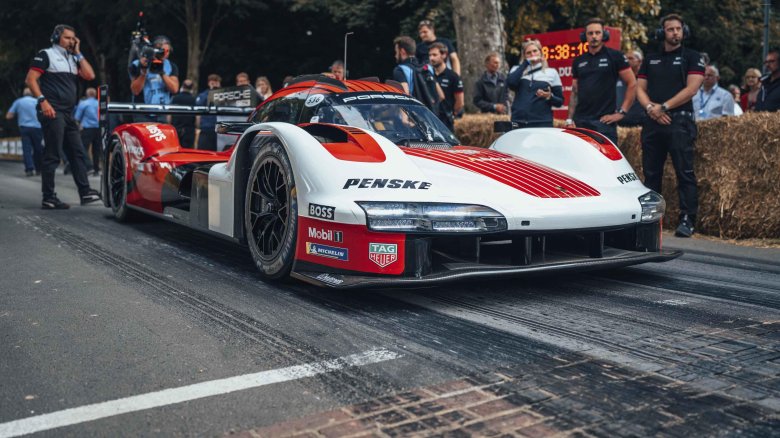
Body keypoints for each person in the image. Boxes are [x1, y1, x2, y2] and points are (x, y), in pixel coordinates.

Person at [636, 14, 705, 237]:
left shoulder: (693, 57)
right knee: (651, 173)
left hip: (679, 121)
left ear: (684, 31)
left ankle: (687, 219)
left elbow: (692, 89)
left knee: (684, 172)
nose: (675, 32)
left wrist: (663, 107)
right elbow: (639, 88)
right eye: (670, 29)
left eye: (678, 29)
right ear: (662, 33)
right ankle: (651, 219)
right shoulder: (651, 58)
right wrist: (651, 110)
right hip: (653, 121)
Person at [25, 24, 100, 209]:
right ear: (56, 37)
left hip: (68, 113)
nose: (71, 41)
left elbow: (90, 75)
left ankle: (85, 192)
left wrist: (79, 52)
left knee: (78, 152)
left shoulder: (73, 58)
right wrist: (43, 101)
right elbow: (30, 79)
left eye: (74, 38)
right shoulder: (46, 54)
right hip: (51, 110)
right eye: (67, 37)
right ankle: (48, 197)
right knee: (53, 154)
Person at [566, 18, 636, 145]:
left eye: (597, 33)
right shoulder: (578, 61)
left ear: (604, 34)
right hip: (580, 121)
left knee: (605, 163)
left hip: (604, 123)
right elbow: (575, 92)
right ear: (584, 36)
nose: (594, 36)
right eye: (590, 33)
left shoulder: (615, 56)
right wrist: (569, 119)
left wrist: (622, 112)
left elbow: (632, 83)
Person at [506, 39, 563, 128]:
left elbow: (560, 102)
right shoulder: (517, 69)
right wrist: (525, 63)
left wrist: (549, 96)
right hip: (519, 121)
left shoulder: (551, 72)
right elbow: (511, 83)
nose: (532, 54)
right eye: (528, 53)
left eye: (535, 51)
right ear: (524, 56)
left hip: (542, 122)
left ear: (540, 52)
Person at [128, 35, 179, 122]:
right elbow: (135, 91)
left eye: (168, 51)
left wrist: (161, 73)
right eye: (164, 51)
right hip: (142, 112)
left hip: (162, 112)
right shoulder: (137, 64)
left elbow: (174, 89)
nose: (166, 54)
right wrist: (143, 72)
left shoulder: (171, 66)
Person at [392, 36, 444, 110]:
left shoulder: (400, 70)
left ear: (402, 51)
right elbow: (441, 96)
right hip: (431, 118)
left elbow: (404, 96)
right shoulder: (427, 68)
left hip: (413, 118)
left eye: (396, 52)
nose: (395, 55)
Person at [6, 88, 43, 176]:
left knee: (27, 149)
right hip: (37, 128)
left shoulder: (18, 102)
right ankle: (39, 169)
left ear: (23, 94)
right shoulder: (37, 101)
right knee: (38, 149)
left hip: (24, 128)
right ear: (32, 94)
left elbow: (9, 116)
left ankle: (29, 169)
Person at [428, 42, 463, 129]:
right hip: (430, 119)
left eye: (434, 55)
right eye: (430, 55)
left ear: (444, 55)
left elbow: (460, 102)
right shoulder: (427, 75)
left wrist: (452, 114)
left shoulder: (453, 76)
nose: (431, 58)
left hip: (446, 121)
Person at [74, 87, 100, 175]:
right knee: (96, 150)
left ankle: (88, 166)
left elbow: (77, 117)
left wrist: (78, 126)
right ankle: (96, 169)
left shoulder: (83, 103)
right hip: (98, 128)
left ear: (87, 94)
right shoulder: (99, 104)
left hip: (87, 128)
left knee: (83, 148)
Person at [617, 50, 646, 126]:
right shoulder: (618, 78)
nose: (627, 61)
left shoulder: (645, 79)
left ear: (639, 61)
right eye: (625, 59)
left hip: (640, 122)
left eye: (630, 58)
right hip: (620, 121)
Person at [195, 73, 221, 150]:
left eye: (216, 82)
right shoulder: (203, 95)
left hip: (219, 129)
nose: (215, 84)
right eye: (212, 82)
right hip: (206, 128)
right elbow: (198, 112)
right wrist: (198, 126)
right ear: (209, 83)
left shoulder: (224, 95)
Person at [170, 79, 196, 148]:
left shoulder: (175, 98)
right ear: (192, 88)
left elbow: (169, 115)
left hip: (176, 129)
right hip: (189, 130)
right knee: (188, 152)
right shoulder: (194, 100)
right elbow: (197, 117)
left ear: (182, 87)